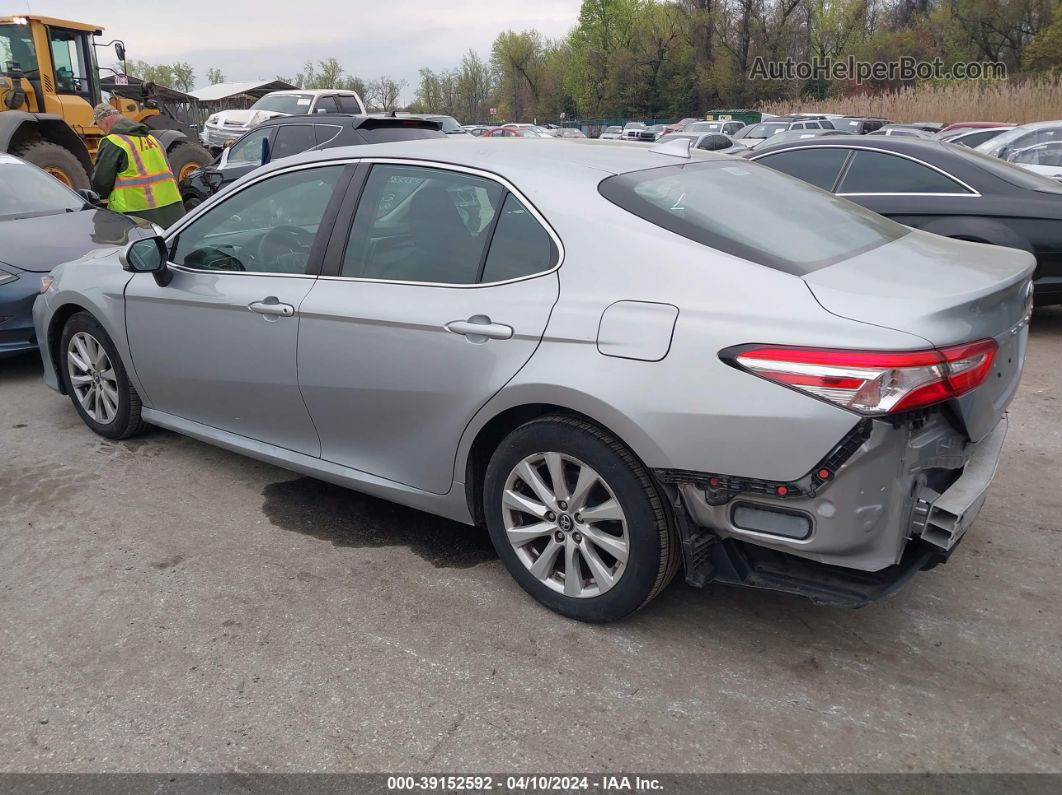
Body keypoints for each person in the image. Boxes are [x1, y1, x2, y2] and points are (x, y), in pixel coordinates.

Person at [91, 103, 185, 228]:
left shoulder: (113, 142)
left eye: (98, 125)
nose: (100, 129)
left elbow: (101, 183)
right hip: (173, 209)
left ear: (103, 120)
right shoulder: (153, 139)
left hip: (138, 215)